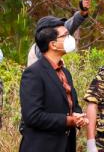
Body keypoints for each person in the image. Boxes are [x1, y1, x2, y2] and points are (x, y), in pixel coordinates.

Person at [19, 16, 88, 152]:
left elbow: (73, 105)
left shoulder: (65, 72)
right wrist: (69, 120)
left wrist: (79, 117)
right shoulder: (33, 73)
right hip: (42, 146)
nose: (70, 38)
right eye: (65, 36)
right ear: (53, 44)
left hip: (66, 145)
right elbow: (33, 116)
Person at [27, 0, 91, 66]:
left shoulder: (60, 67)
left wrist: (82, 12)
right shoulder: (37, 62)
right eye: (64, 35)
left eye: (67, 34)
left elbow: (70, 25)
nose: (68, 38)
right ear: (52, 44)